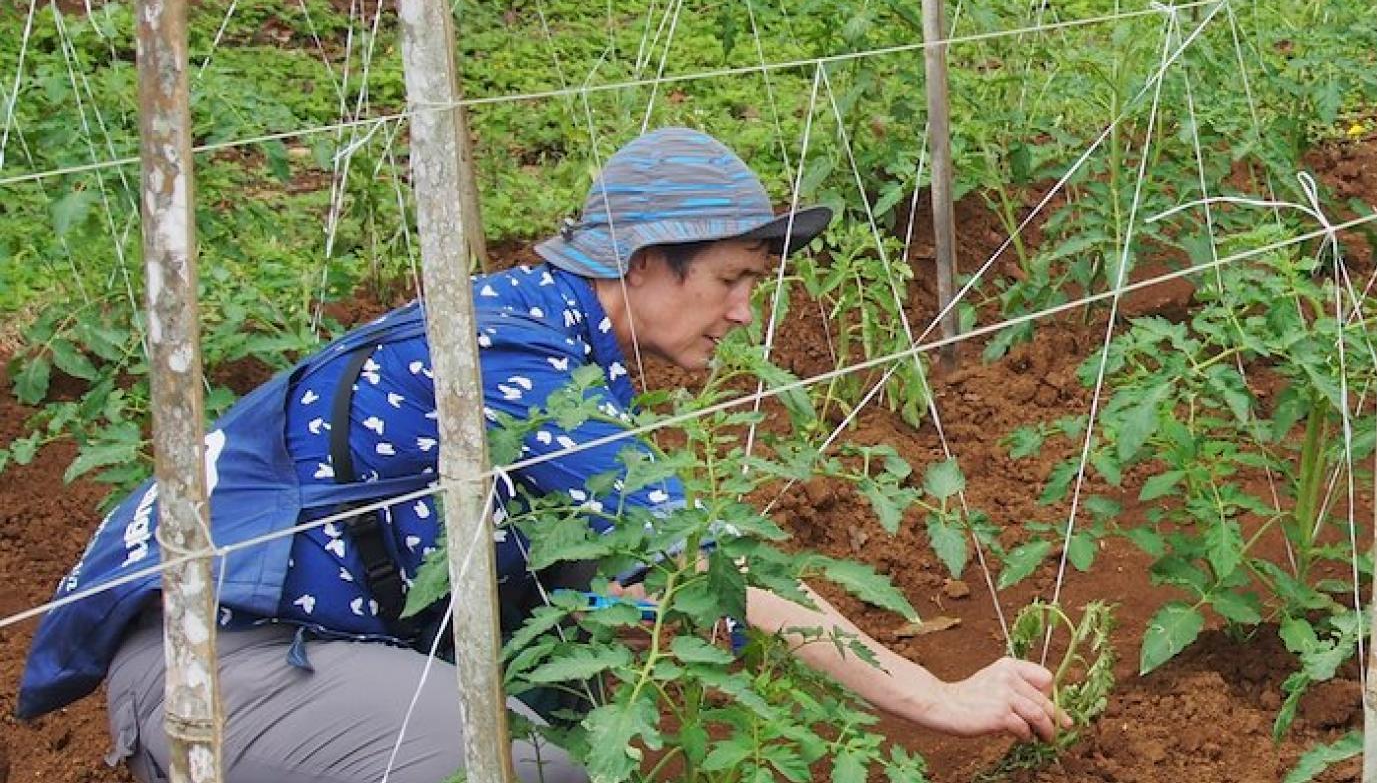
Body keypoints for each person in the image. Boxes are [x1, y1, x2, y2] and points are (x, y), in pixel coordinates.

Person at [19, 128, 1066, 782]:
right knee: (525, 767)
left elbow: (610, 575)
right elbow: (699, 559)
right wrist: (934, 694)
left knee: (572, 676)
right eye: (736, 278)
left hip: (300, 648)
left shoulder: (548, 334)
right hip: (216, 665)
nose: (750, 312)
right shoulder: (513, 355)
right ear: (646, 263)